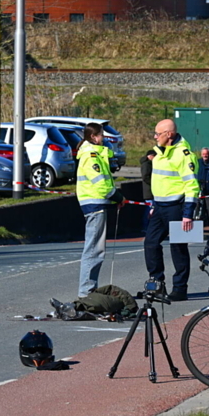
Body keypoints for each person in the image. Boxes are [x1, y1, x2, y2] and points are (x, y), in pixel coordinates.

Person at [143, 119, 200, 302]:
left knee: (178, 248)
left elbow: (192, 186)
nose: (155, 137)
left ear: (169, 134)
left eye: (158, 133)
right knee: (150, 244)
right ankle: (157, 284)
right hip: (160, 207)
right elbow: (160, 182)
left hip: (178, 207)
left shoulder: (184, 155)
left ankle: (180, 289)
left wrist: (188, 214)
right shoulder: (160, 153)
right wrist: (153, 205)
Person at [76, 122, 124, 299]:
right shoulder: (91, 156)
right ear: (93, 137)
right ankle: (86, 291)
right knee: (94, 249)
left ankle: (89, 288)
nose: (103, 138)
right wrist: (117, 197)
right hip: (94, 205)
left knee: (95, 248)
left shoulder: (93, 153)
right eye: (101, 135)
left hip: (95, 203)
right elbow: (100, 184)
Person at [139, 147, 156, 233]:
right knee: (149, 209)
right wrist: (153, 184)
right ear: (150, 156)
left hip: (150, 191)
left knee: (151, 209)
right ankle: (145, 227)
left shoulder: (148, 164)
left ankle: (148, 227)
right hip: (149, 191)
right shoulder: (146, 165)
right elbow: (145, 177)